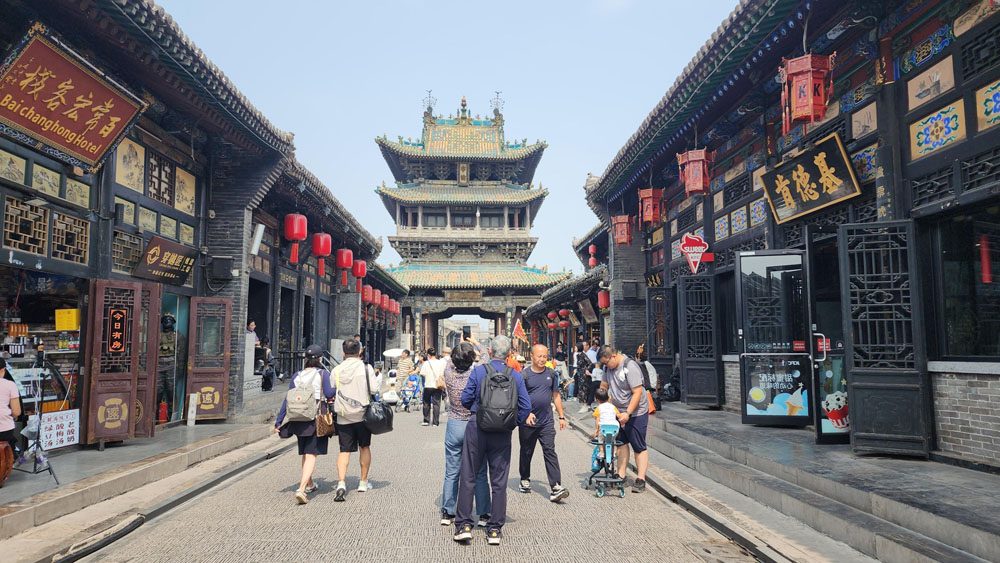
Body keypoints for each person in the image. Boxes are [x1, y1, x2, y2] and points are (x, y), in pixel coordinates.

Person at [454, 335, 533, 546]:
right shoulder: (516, 376)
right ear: (509, 355)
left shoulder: (479, 371)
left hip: (477, 427)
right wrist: (509, 422)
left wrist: (478, 412)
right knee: (499, 481)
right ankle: (495, 529)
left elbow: (465, 399)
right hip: (502, 434)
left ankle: (464, 525)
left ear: (489, 351)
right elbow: (526, 407)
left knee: (469, 475)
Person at [440, 338, 492, 528]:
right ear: (471, 359)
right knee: (479, 471)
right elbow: (485, 354)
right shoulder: (477, 372)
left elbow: (449, 359)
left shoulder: (447, 371)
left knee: (452, 471)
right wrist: (475, 343)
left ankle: (448, 511)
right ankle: (484, 513)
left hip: (454, 423)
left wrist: (459, 347)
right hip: (473, 423)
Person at [273, 344, 334, 504]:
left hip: (297, 418)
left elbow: (288, 398)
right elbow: (329, 393)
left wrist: (279, 421)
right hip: (315, 417)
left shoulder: (297, 375)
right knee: (312, 454)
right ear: (320, 359)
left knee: (305, 451)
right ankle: (301, 488)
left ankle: (310, 484)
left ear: (306, 359)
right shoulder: (322, 374)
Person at [331, 338, 381, 501]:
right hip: (362, 415)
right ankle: (363, 482)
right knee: (364, 447)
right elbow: (374, 389)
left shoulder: (337, 369)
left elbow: (332, 388)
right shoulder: (366, 368)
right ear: (359, 351)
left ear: (343, 353)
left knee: (344, 451)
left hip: (343, 415)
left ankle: (341, 483)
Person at [517, 344, 569, 502]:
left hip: (546, 421)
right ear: (531, 356)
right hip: (528, 421)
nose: (542, 359)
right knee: (526, 451)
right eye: (539, 356)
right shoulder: (524, 375)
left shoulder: (551, 374)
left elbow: (556, 396)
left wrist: (561, 416)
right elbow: (518, 397)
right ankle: (525, 478)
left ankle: (556, 486)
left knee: (550, 451)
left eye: (545, 356)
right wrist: (526, 413)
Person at [597, 345, 650, 493]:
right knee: (621, 443)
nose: (606, 366)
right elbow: (604, 385)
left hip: (636, 412)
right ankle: (621, 476)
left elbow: (637, 392)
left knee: (638, 445)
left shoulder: (630, 366)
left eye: (607, 362)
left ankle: (641, 479)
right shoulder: (608, 368)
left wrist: (628, 413)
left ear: (613, 356)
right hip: (617, 411)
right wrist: (603, 402)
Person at [420, 348, 446, 427]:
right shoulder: (441, 363)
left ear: (428, 355)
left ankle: (426, 420)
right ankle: (435, 422)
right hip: (438, 386)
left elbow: (422, 374)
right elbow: (443, 373)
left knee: (426, 403)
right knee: (436, 404)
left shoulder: (426, 363)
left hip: (428, 385)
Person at [1, 358, 22, 453]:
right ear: (3, 370)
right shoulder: (10, 385)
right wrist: (15, 417)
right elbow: (16, 412)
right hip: (4, 428)